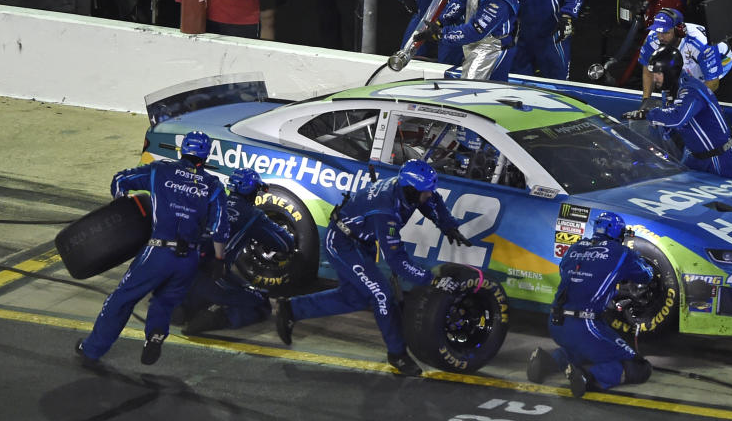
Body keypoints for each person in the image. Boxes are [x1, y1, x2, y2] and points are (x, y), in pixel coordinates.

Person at [274, 160, 471, 376]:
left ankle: (291, 309)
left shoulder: (408, 190)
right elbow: (397, 261)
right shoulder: (385, 211)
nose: (428, 195)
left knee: (355, 298)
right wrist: (432, 279)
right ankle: (397, 354)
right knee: (382, 295)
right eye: (424, 192)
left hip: (361, 241)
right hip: (343, 242)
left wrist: (448, 225)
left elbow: (433, 200)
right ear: (411, 190)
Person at [75, 131, 229, 366]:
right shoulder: (214, 185)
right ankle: (156, 333)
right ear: (206, 156)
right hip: (189, 259)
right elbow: (219, 228)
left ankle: (92, 350)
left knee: (121, 300)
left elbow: (120, 179)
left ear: (182, 150)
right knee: (164, 302)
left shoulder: (160, 170)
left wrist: (121, 209)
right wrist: (219, 260)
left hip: (157, 253)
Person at [526, 211, 654, 397]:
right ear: (618, 232)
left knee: (588, 352)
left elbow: (571, 275)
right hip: (584, 325)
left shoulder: (575, 247)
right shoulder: (621, 253)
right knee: (640, 367)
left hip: (556, 321)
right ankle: (588, 378)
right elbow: (646, 275)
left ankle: (550, 360)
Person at [175, 168, 295, 334]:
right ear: (251, 191)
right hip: (209, 276)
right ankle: (218, 318)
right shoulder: (252, 215)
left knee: (222, 283)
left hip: (179, 272)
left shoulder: (211, 202)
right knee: (260, 302)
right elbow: (285, 244)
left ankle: (182, 305)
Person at [625, 46, 732, 180]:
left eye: (658, 73)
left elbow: (678, 118)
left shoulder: (691, 90)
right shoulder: (670, 91)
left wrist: (648, 114)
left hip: (719, 158)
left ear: (669, 72)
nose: (654, 78)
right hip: (693, 156)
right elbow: (670, 126)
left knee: (728, 200)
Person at [638, 7, 731, 103]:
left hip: (721, 60)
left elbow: (713, 83)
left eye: (665, 32)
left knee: (697, 98)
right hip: (688, 59)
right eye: (658, 31)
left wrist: (687, 104)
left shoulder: (702, 44)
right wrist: (646, 100)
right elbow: (647, 67)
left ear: (679, 31)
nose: (660, 37)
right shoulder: (652, 38)